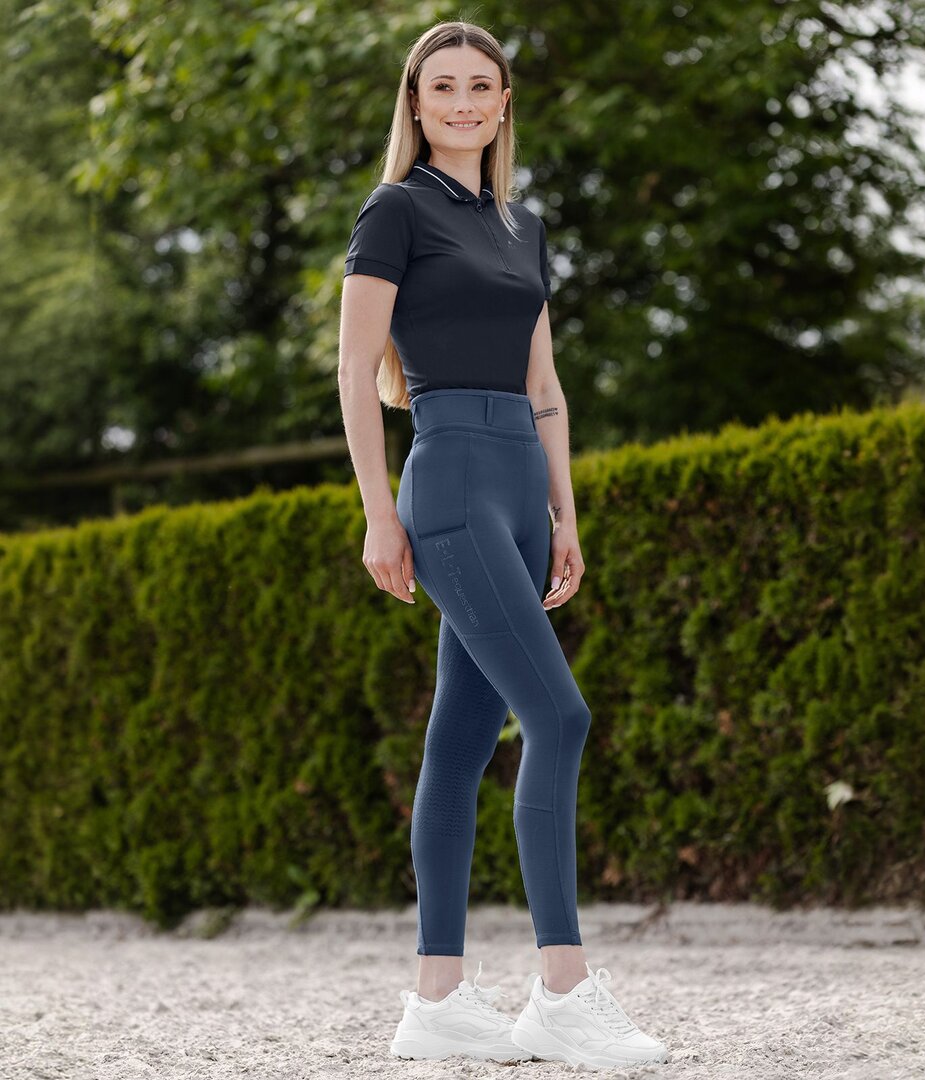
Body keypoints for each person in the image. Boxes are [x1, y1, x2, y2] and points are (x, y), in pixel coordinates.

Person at [338, 19, 668, 1070]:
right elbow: (354, 371)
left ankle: (436, 1001)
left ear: (503, 103)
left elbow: (545, 386)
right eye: (443, 86)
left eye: (481, 86)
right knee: (559, 716)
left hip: (522, 488)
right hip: (447, 484)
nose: (464, 103)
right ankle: (562, 990)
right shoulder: (394, 210)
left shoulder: (523, 227)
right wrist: (377, 513)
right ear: (416, 103)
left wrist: (565, 513)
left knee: (461, 740)